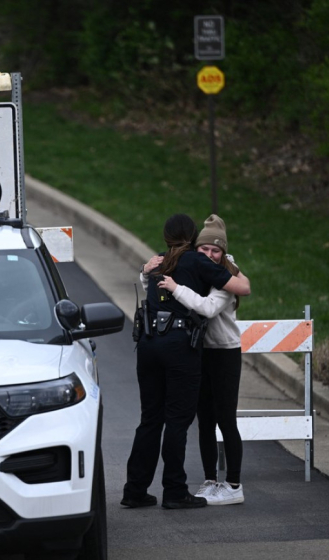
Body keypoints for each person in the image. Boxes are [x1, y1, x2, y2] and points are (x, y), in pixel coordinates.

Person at [122, 213, 250, 510]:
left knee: (150, 420)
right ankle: (175, 491)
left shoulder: (158, 261)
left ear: (165, 237)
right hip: (180, 348)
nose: (207, 253)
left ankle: (135, 490)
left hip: (148, 344)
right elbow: (241, 287)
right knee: (178, 421)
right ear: (193, 240)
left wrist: (143, 269)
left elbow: (148, 282)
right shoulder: (195, 261)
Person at [156, 214, 245, 506]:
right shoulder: (199, 271)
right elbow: (163, 268)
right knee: (204, 420)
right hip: (200, 352)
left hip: (224, 352)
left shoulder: (226, 282)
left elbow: (206, 308)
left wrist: (176, 289)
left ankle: (233, 484)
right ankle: (210, 481)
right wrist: (147, 269)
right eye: (203, 249)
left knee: (225, 419)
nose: (208, 255)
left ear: (222, 253)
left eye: (215, 250)